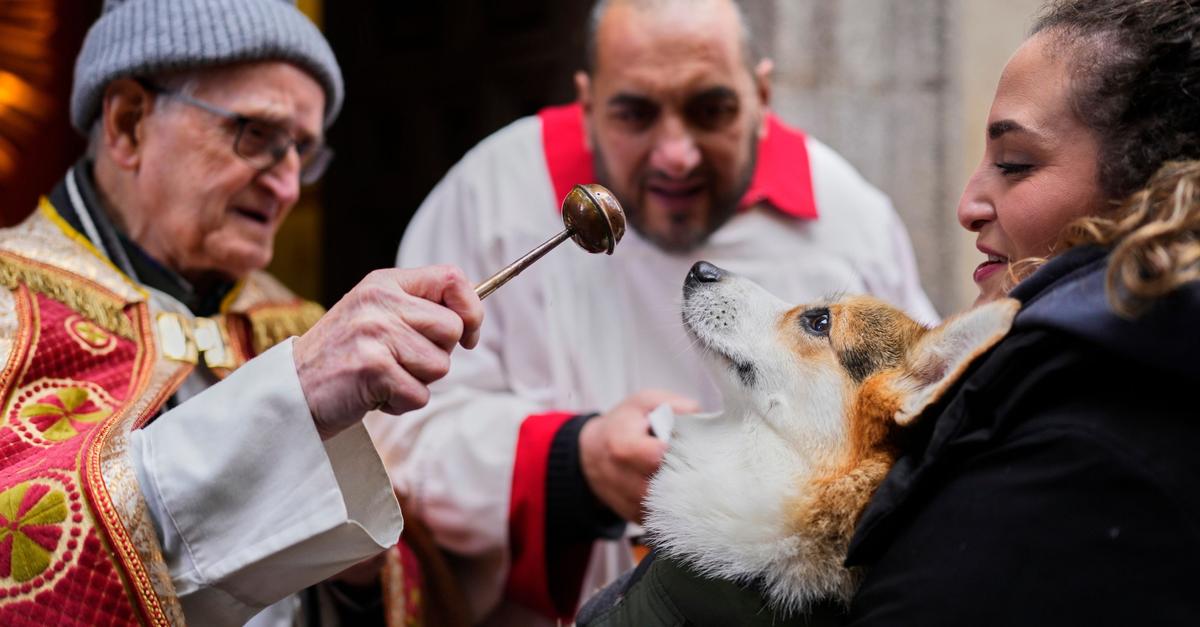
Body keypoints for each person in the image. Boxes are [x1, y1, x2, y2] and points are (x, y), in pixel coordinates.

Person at [577, 0, 1200, 624]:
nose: (967, 203)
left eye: (1015, 164)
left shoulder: (1086, 428)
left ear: (1144, 194)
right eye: (633, 112)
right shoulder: (1050, 377)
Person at [364, 0, 938, 624]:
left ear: (762, 94)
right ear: (586, 104)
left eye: (710, 110)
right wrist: (573, 462)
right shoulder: (493, 194)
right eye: (635, 113)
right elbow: (398, 435)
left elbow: (912, 433)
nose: (676, 156)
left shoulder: (849, 217)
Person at [0, 1, 483, 625]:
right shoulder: (12, 301)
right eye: (256, 135)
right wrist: (293, 392)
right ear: (128, 123)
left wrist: (358, 565)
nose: (286, 187)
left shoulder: (294, 321)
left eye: (302, 153)